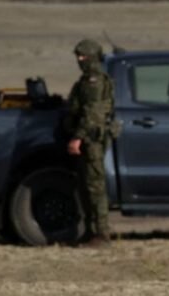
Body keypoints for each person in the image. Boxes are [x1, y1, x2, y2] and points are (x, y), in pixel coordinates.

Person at [63, 38, 116, 247]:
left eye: (83, 56)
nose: (80, 59)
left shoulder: (95, 82)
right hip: (87, 139)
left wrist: (77, 138)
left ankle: (101, 234)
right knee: (85, 186)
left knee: (95, 186)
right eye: (78, 56)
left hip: (91, 139)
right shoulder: (85, 81)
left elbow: (92, 113)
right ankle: (91, 231)